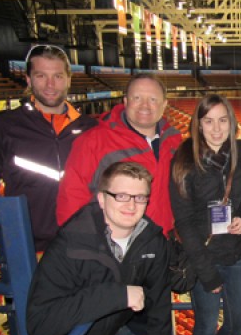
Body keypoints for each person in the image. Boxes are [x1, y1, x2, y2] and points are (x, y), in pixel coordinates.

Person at [27, 162, 173, 335]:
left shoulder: (152, 241)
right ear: (102, 199)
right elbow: (39, 326)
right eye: (121, 196)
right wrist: (117, 295)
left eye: (140, 197)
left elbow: (159, 296)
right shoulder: (71, 243)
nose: (131, 205)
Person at [170, 94, 241, 335]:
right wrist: (206, 272)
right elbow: (184, 221)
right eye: (208, 121)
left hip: (237, 254)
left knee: (238, 321)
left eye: (222, 120)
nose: (216, 128)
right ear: (198, 124)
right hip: (203, 257)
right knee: (205, 325)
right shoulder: (184, 159)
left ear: (231, 122)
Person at [0, 44, 96, 252]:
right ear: (28, 80)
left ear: (68, 79)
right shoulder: (3, 128)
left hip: (85, 247)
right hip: (27, 250)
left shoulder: (91, 129)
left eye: (57, 76)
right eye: (41, 76)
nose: (50, 85)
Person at [57, 73, 182, 236]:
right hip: (112, 250)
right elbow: (71, 199)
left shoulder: (174, 141)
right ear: (125, 101)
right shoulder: (93, 141)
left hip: (164, 245)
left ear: (164, 104)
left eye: (153, 99)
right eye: (137, 98)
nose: (145, 106)